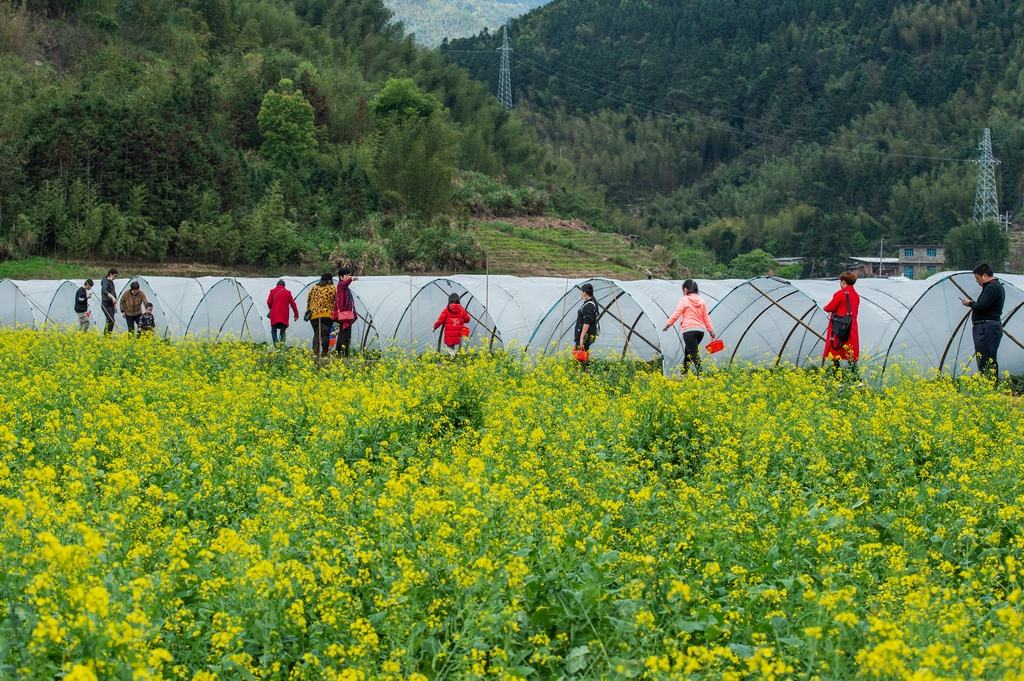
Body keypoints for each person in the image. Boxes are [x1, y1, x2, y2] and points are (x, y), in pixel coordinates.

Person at [662, 279, 715, 375]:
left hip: (689, 331)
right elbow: (706, 317)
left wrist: (668, 324)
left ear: (686, 289)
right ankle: (683, 374)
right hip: (700, 332)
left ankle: (701, 375)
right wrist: (711, 330)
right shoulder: (702, 301)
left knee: (694, 354)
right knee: (688, 353)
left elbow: (677, 313)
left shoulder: (684, 300)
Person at [961, 263, 1005, 377]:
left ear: (985, 275)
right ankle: (987, 383)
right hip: (985, 327)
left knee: (987, 358)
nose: (977, 281)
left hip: (987, 327)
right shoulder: (992, 287)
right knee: (984, 357)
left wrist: (970, 303)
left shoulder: (992, 286)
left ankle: (990, 384)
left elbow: (982, 306)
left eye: (978, 278)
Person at [823, 271, 861, 378]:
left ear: (843, 281)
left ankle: (837, 378)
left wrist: (826, 308)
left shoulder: (840, 294)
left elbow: (829, 308)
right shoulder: (856, 296)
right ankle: (856, 378)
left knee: (836, 351)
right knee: (850, 354)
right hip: (851, 328)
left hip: (839, 328)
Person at [306, 273, 336, 359]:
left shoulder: (314, 288)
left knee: (317, 334)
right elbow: (336, 301)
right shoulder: (332, 288)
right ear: (330, 280)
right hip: (326, 315)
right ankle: (325, 353)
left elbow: (308, 300)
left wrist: (310, 310)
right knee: (325, 335)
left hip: (314, 316)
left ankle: (315, 353)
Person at [333, 267, 358, 357]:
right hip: (345, 315)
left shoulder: (344, 287)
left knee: (344, 335)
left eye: (349, 275)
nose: (348, 277)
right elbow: (344, 285)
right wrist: (351, 279)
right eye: (346, 275)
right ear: (341, 277)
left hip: (347, 314)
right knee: (344, 335)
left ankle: (341, 353)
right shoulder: (340, 285)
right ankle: (342, 353)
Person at [267, 280, 299, 347]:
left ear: (277, 285)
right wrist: (296, 315)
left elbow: (269, 302)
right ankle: (282, 347)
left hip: (274, 316)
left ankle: (276, 346)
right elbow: (293, 304)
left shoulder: (272, 291)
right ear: (284, 286)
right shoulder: (288, 292)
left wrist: (272, 309)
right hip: (284, 316)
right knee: (283, 332)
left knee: (273, 330)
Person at [574, 283, 600, 355]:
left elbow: (587, 323)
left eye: (581, 292)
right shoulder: (590, 303)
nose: (581, 294)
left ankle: (585, 366)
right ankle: (585, 365)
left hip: (585, 337)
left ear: (584, 292)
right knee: (582, 357)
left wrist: (582, 338)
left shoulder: (589, 305)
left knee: (581, 358)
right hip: (585, 336)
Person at [100, 269, 118, 335]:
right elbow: (104, 291)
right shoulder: (105, 281)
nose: (115, 278)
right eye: (115, 276)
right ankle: (107, 336)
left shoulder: (111, 282)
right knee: (111, 320)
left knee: (109, 321)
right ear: (110, 274)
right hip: (106, 304)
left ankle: (106, 336)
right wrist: (112, 297)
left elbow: (114, 293)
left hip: (111, 305)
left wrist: (115, 306)